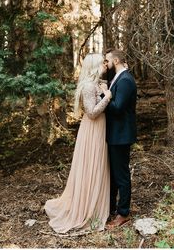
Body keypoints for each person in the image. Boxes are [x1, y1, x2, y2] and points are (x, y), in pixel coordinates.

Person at [44, 53, 112, 234]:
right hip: (92, 129)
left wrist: (104, 90)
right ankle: (86, 209)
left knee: (97, 166)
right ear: (94, 66)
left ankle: (96, 205)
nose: (105, 65)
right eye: (102, 63)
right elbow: (91, 112)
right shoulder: (88, 86)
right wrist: (107, 97)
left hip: (99, 129)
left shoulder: (97, 84)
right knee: (91, 166)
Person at [104, 49, 137, 228]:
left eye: (107, 60)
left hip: (121, 135)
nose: (105, 64)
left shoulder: (125, 80)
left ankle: (123, 213)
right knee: (115, 174)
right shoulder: (117, 78)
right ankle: (110, 208)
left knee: (122, 175)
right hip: (115, 134)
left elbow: (117, 108)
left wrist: (104, 94)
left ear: (116, 60)